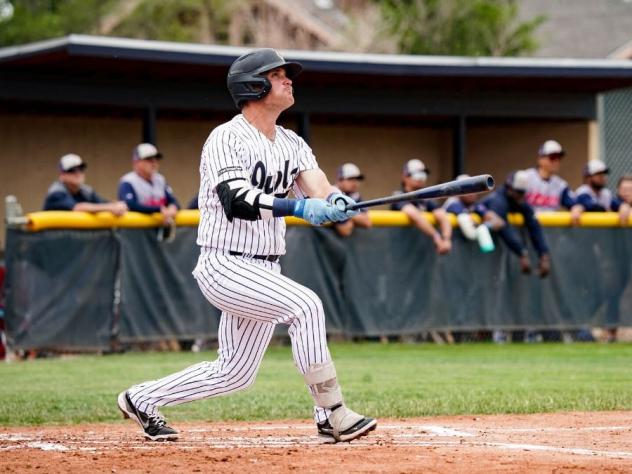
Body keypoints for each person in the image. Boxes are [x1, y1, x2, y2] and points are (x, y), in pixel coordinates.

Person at [117, 48, 377, 443]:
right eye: (278, 74)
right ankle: (331, 414)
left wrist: (335, 201)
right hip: (225, 264)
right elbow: (236, 199)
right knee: (305, 306)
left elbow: (318, 186)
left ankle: (141, 398)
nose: (289, 79)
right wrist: (300, 207)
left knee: (234, 373)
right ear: (253, 85)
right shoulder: (225, 137)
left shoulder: (293, 143)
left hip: (266, 267)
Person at [481, 170, 550, 278]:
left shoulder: (520, 201)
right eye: (519, 192)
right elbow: (503, 226)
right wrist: (522, 252)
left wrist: (543, 254)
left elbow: (534, 225)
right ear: (510, 189)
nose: (521, 197)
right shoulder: (498, 201)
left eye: (523, 193)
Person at [391, 159, 452, 255]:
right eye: (416, 174)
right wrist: (436, 237)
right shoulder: (398, 196)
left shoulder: (426, 199)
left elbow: (441, 214)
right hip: (398, 252)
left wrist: (446, 239)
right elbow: (413, 214)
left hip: (419, 255)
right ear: (405, 176)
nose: (421, 178)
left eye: (423, 174)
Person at [43, 154, 128, 215]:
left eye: (81, 169)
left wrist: (118, 205)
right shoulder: (56, 192)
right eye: (72, 170)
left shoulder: (85, 191)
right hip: (52, 238)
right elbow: (78, 208)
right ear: (62, 175)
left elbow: (103, 203)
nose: (78, 173)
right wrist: (110, 208)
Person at [524, 140, 583, 224]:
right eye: (552, 157)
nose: (556, 161)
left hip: (550, 231)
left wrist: (577, 208)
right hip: (526, 229)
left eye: (559, 158)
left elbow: (574, 203)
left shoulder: (561, 185)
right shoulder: (526, 177)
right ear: (540, 159)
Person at [118, 143, 180, 224]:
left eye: (156, 159)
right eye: (149, 159)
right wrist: (158, 210)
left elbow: (173, 201)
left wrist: (173, 207)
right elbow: (130, 205)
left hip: (158, 229)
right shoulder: (128, 181)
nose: (154, 163)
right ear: (136, 163)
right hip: (135, 230)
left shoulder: (160, 179)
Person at [443, 174, 497, 253]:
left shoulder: (473, 204)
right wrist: (481, 227)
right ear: (458, 191)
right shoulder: (453, 203)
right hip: (449, 248)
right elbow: (470, 233)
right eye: (469, 190)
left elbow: (492, 217)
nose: (472, 194)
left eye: (474, 189)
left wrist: (486, 225)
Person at [575, 160, 631, 225]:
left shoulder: (605, 193)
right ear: (588, 177)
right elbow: (592, 207)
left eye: (603, 174)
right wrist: (607, 211)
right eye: (599, 175)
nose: (602, 177)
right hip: (584, 232)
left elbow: (616, 204)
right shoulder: (582, 192)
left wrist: (623, 206)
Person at [333, 163, 372, 237]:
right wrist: (355, 217)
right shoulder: (331, 196)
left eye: (357, 179)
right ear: (339, 180)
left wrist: (346, 213)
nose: (355, 183)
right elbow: (345, 230)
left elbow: (367, 222)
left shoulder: (356, 196)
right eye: (350, 179)